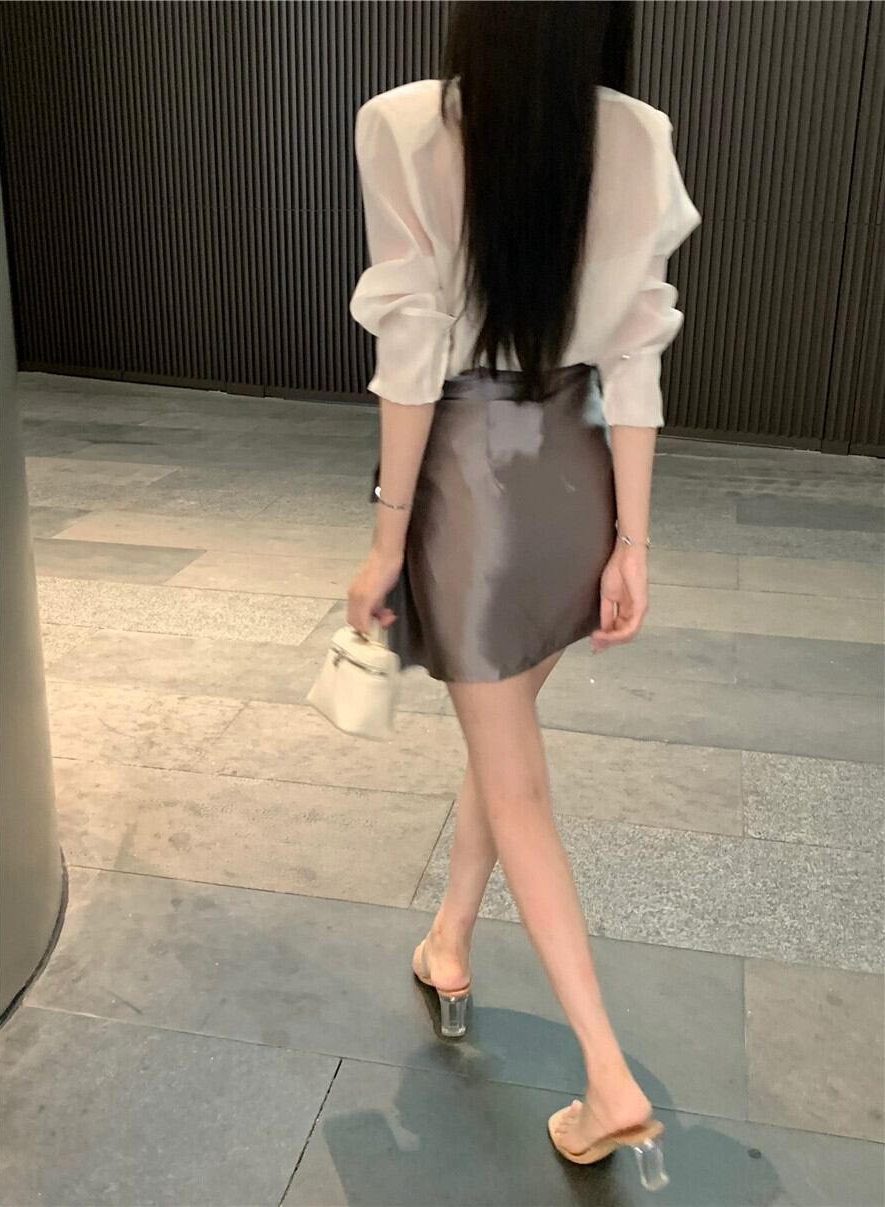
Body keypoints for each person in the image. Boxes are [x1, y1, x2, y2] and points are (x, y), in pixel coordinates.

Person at [345, 0, 700, 1187]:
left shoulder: (404, 125)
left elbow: (411, 357)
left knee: (516, 777)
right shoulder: (638, 135)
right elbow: (637, 355)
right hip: (576, 474)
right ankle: (449, 941)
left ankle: (607, 1078)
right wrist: (632, 539)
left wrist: (387, 536)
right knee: (504, 741)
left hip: (474, 489)